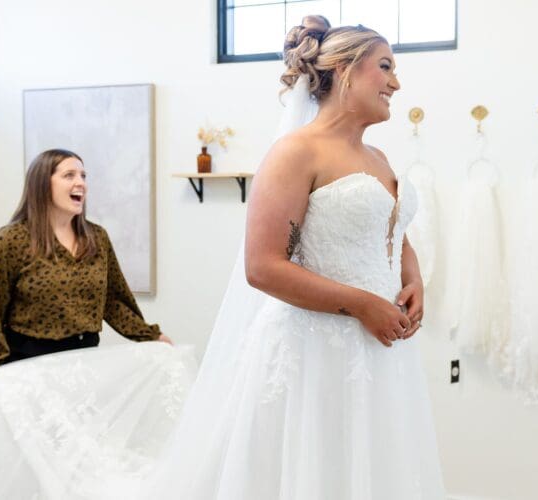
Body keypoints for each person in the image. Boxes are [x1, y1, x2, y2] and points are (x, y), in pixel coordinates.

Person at [151, 15, 445, 499]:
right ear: (344, 70)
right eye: (386, 67)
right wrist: (363, 304)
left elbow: (396, 235)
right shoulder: (295, 153)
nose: (396, 82)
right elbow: (262, 267)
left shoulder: (380, 159)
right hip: (314, 355)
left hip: (381, 351)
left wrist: (412, 281)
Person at [0, 148, 171, 380]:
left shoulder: (97, 238)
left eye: (83, 176)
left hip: (84, 364)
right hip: (29, 367)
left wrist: (150, 335)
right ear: (43, 183)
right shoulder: (14, 238)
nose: (80, 183)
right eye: (69, 175)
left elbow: (114, 300)